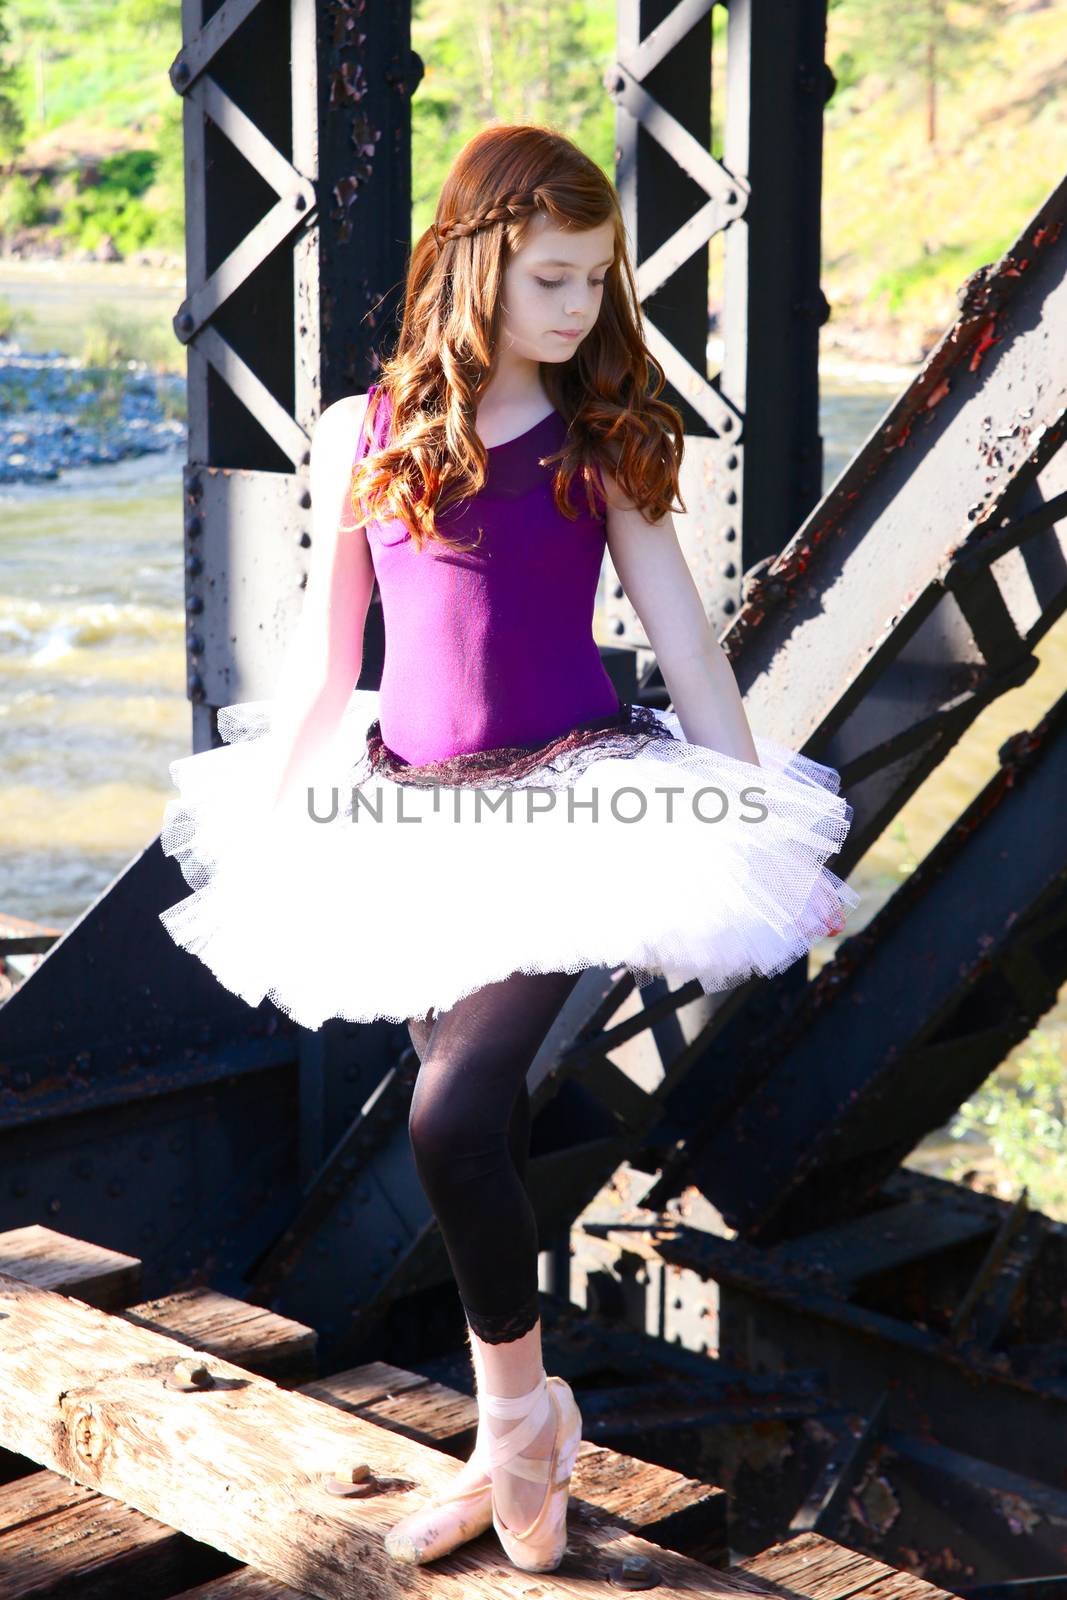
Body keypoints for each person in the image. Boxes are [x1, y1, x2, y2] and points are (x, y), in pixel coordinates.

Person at [157, 123, 859, 1574]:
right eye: (551, 277)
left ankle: (519, 1427)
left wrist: (773, 849)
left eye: (596, 283)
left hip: (571, 814)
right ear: (475, 263)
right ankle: (518, 1429)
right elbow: (323, 666)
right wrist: (272, 833)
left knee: (452, 1118)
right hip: (405, 817)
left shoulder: (599, 446)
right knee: (460, 1123)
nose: (577, 309)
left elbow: (693, 657)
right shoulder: (367, 431)